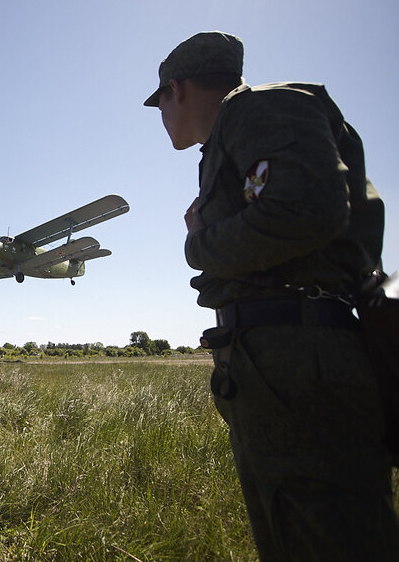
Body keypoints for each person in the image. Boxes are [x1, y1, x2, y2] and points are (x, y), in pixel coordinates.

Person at [144, 31, 399, 560]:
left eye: (161, 101)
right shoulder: (230, 137)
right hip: (270, 361)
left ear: (179, 88)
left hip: (298, 358)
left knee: (327, 536)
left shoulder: (258, 107)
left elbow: (307, 208)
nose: (161, 115)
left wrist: (199, 244)